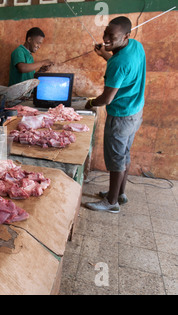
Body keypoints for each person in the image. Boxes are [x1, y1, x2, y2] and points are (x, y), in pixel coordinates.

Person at [84, 17, 146, 213]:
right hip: (135, 111)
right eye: (105, 34)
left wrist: (91, 103)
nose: (106, 39)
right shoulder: (135, 46)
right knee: (124, 154)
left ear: (126, 35)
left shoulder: (118, 64)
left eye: (112, 36)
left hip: (120, 116)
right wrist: (105, 54)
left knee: (116, 159)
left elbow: (107, 99)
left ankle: (111, 203)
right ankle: (119, 193)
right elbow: (123, 70)